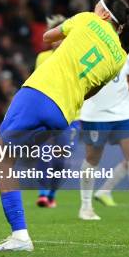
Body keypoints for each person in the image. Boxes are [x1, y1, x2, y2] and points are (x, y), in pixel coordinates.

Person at [0, 0, 129, 251]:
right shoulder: (120, 58)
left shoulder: (87, 20)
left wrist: (70, 37)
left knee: (2, 160)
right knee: (2, 157)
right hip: (64, 114)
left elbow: (48, 37)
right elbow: (92, 90)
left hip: (39, 93)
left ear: (103, 13)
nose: (93, 10)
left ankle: (18, 234)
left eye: (96, 7)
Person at [77, 45, 129, 221]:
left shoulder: (128, 51)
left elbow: (126, 81)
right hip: (95, 114)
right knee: (93, 159)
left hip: (123, 113)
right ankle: (86, 207)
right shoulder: (90, 48)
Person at [34, 15, 81, 208]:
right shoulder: (42, 58)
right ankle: (43, 193)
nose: (57, 41)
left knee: (62, 159)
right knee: (44, 153)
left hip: (71, 115)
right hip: (46, 113)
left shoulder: (75, 59)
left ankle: (52, 193)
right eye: (55, 37)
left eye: (61, 37)